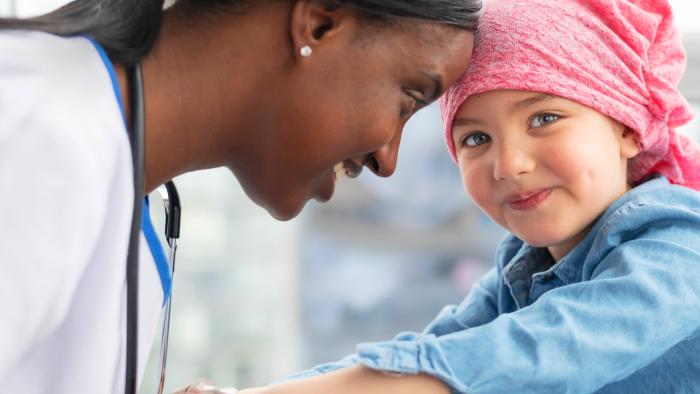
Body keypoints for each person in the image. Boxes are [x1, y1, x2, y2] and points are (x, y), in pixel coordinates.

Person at [212, 0, 700, 393]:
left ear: (628, 129)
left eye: (544, 119)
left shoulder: (680, 250)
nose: (510, 164)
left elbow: (532, 355)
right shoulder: (521, 267)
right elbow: (428, 352)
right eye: (475, 139)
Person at [0, 0, 481, 393]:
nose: (387, 158)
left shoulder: (113, 170)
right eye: (409, 97)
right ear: (319, 24)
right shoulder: (37, 135)